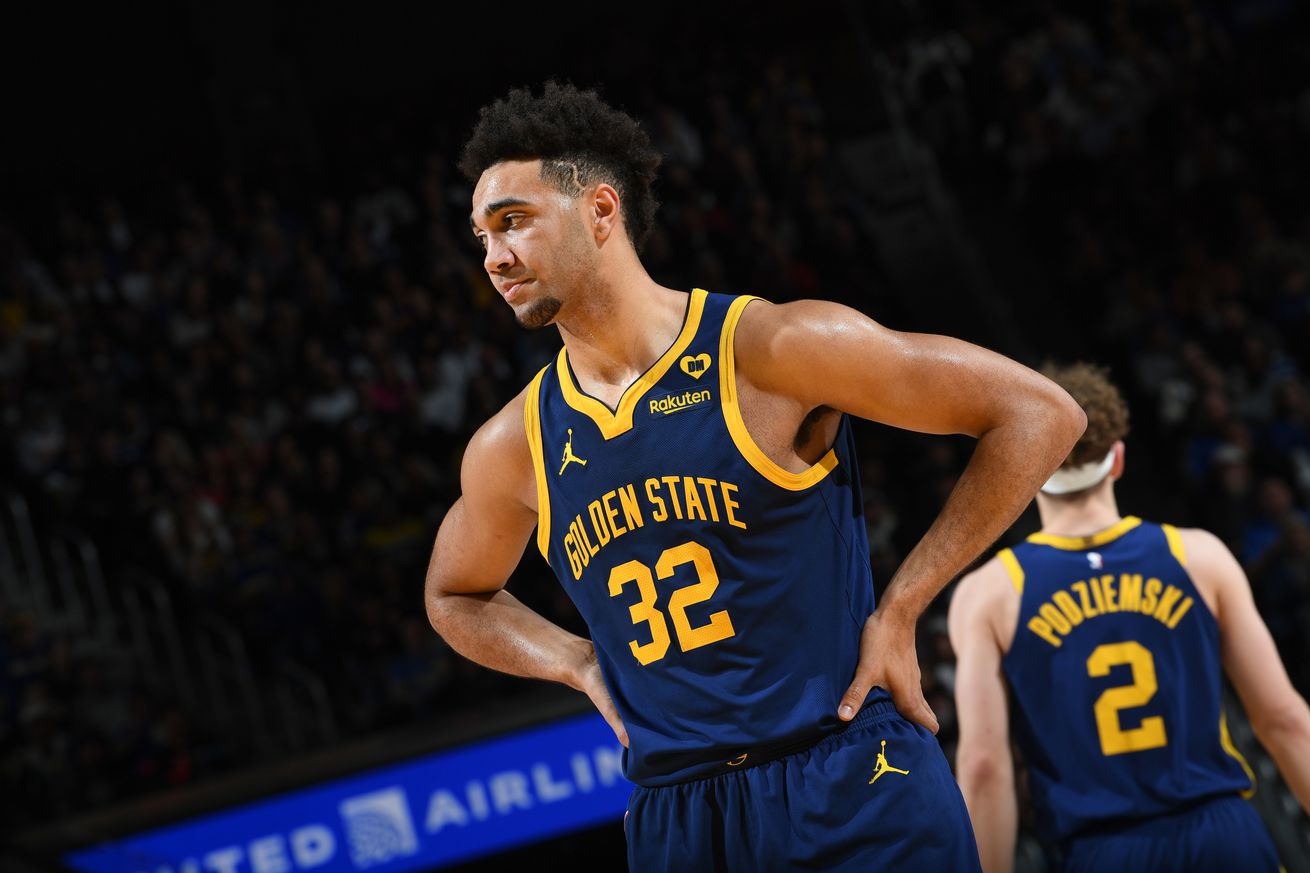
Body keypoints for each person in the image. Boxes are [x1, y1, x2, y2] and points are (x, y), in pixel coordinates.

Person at [424, 81, 1085, 872]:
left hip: (848, 772)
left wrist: (904, 606)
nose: (494, 257)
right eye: (482, 235)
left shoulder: (771, 346)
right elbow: (452, 593)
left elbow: (1040, 414)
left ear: (600, 211)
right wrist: (576, 661)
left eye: (513, 222)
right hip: (681, 811)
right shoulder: (513, 443)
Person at [950, 362, 1310, 873]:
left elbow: (984, 769)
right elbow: (1284, 720)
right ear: (1118, 458)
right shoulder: (1198, 556)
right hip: (1221, 832)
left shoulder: (989, 592)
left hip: (1103, 850)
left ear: (1024, 466)